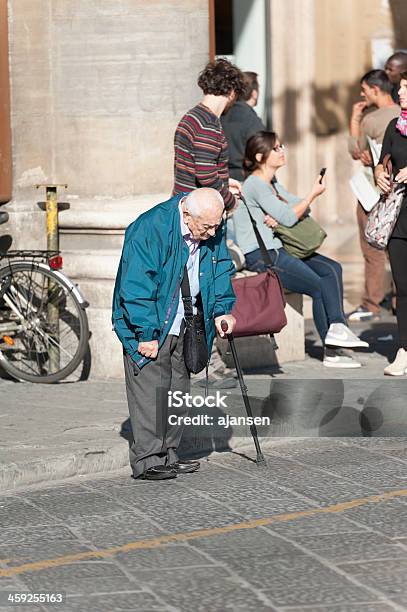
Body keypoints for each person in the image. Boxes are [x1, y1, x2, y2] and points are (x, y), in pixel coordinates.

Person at [112, 188, 236, 480]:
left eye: (217, 225)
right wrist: (145, 333)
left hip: (189, 320)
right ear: (186, 214)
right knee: (151, 392)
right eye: (206, 226)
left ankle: (169, 453)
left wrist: (222, 310)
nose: (213, 232)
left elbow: (219, 270)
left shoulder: (210, 226)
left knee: (177, 391)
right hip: (153, 322)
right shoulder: (149, 228)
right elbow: (136, 286)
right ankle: (148, 460)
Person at [232, 131, 369, 369]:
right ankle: (332, 351)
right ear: (260, 156)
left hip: (279, 249)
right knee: (317, 285)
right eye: (276, 148)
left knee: (332, 268)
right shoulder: (255, 184)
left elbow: (297, 209)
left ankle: (337, 326)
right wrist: (308, 199)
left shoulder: (272, 183)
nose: (282, 151)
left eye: (281, 145)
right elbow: (289, 215)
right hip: (261, 256)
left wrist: (296, 206)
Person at [348, 69, 400, 321]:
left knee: (372, 249)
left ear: (376, 90)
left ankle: (371, 303)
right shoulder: (402, 115)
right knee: (398, 247)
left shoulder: (372, 119)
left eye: (365, 89)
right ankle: (398, 300)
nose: (362, 94)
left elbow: (355, 150)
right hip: (398, 191)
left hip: (372, 192)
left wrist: (355, 120)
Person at [173, 58, 245, 211]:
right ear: (232, 92)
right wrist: (231, 201)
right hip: (199, 213)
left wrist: (225, 181)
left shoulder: (192, 116)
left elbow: (197, 166)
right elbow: (206, 176)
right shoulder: (208, 125)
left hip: (185, 204)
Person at [375, 72, 407, 376]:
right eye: (400, 88)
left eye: (406, 89)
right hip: (398, 218)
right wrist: (379, 173)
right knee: (403, 287)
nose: (400, 93)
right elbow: (383, 157)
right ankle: (404, 349)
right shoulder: (394, 126)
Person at [221, 71, 266, 181]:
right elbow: (263, 154)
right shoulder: (253, 121)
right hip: (245, 179)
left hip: (223, 179)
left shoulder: (222, 115)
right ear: (254, 93)